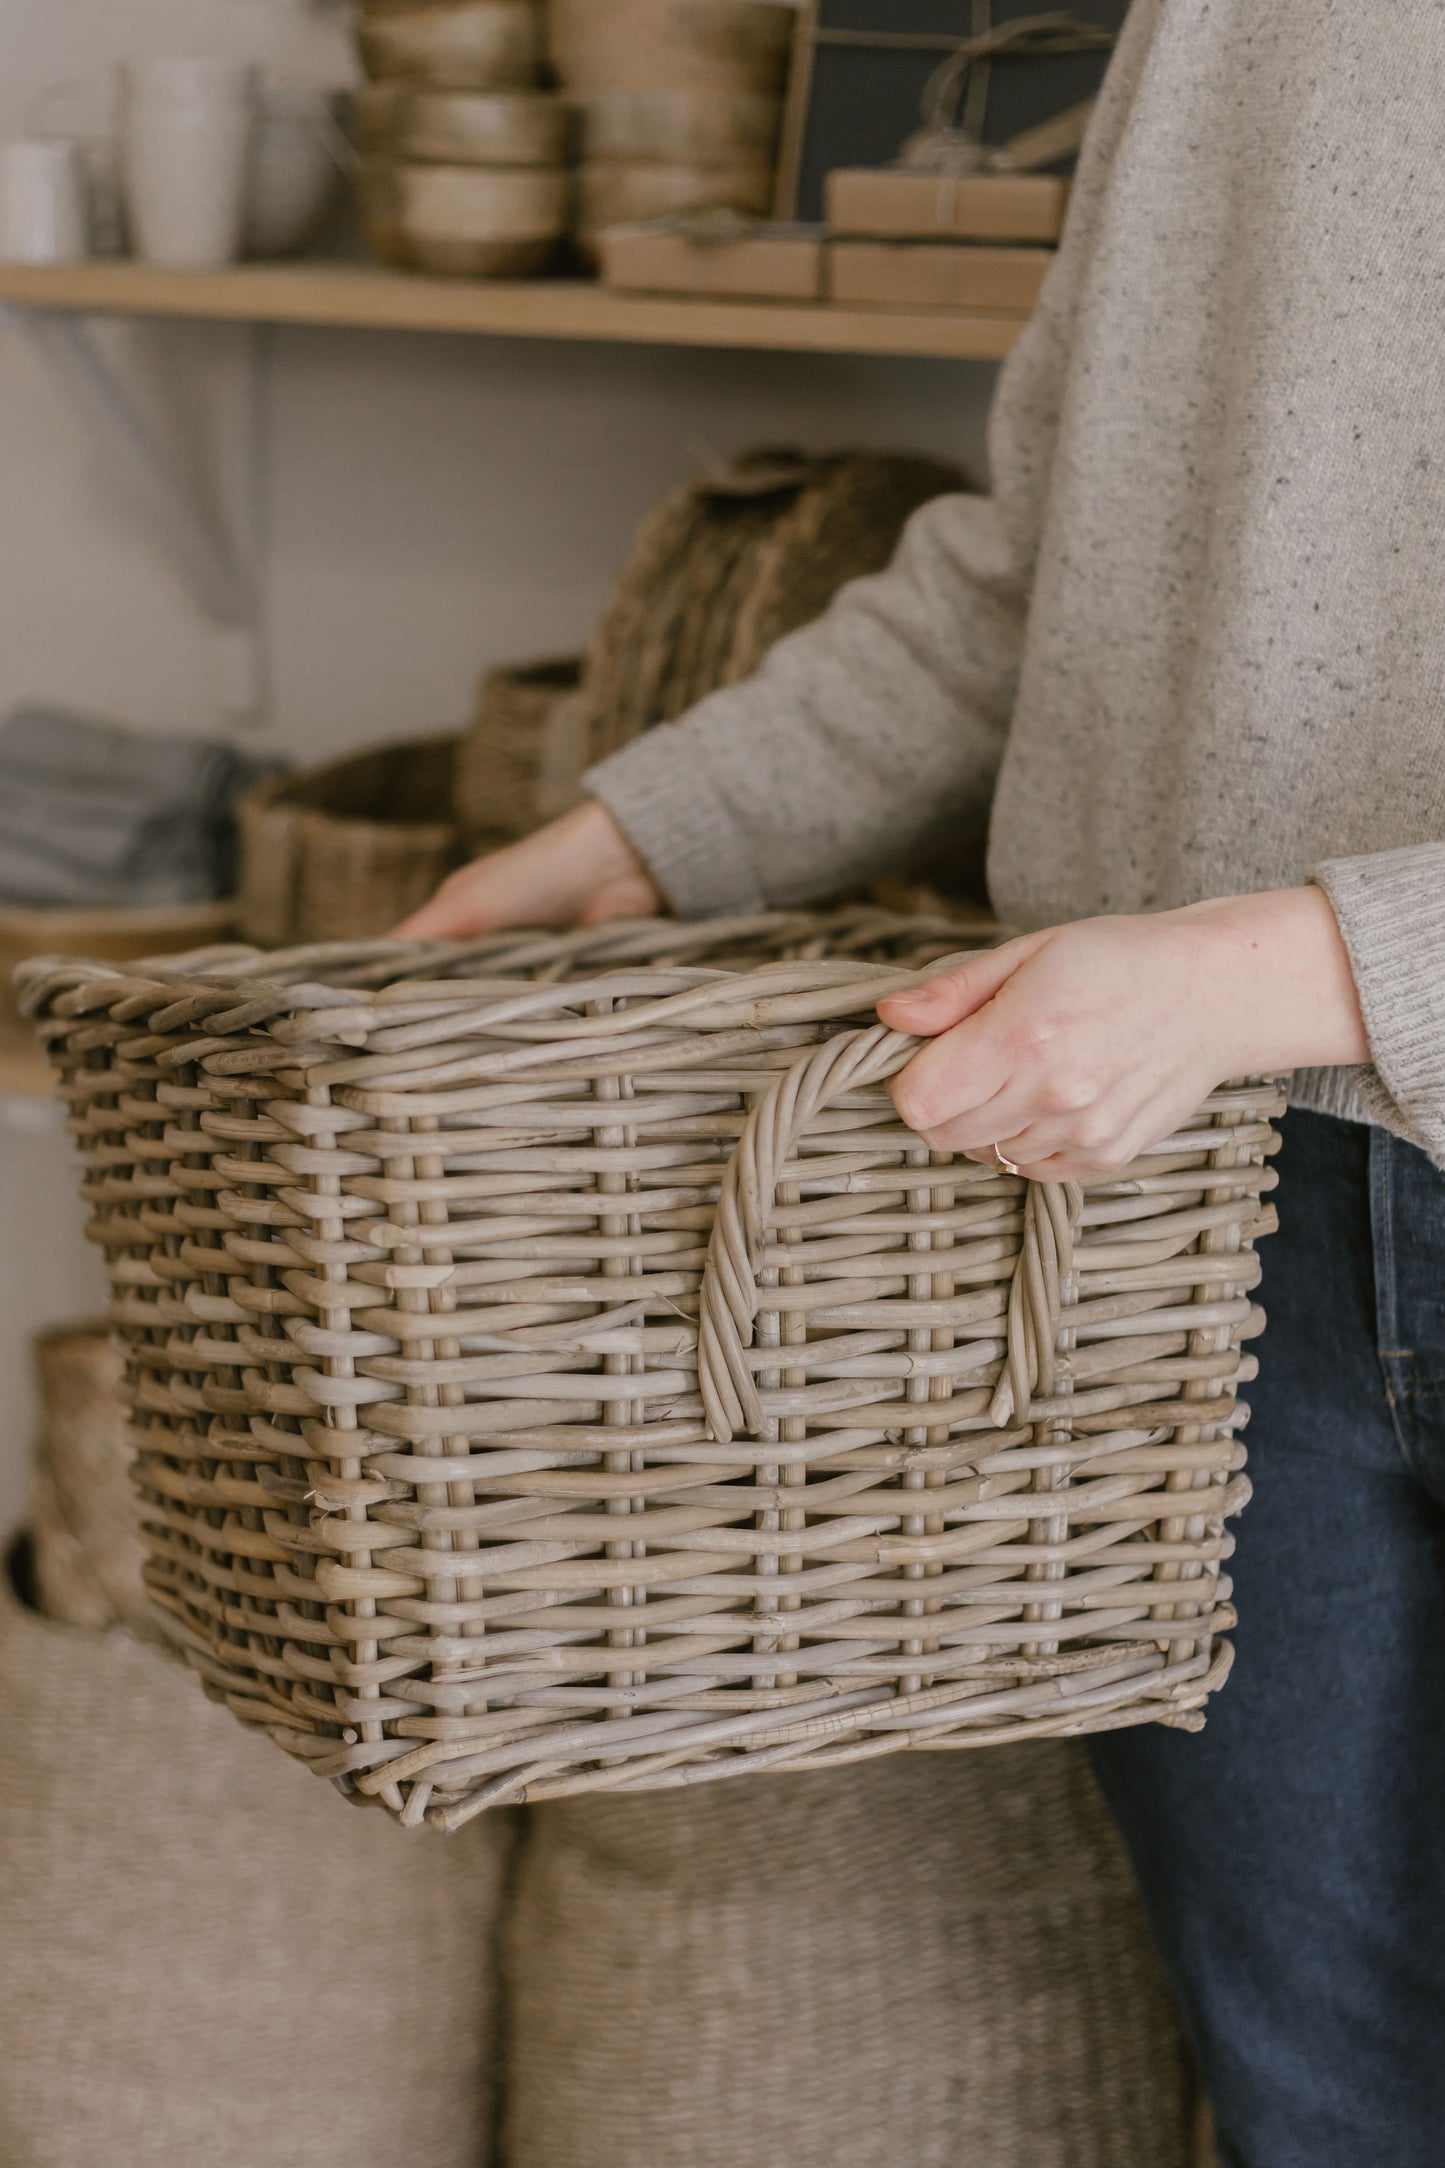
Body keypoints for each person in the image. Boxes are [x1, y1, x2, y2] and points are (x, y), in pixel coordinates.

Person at [400, 7, 1445, 2161]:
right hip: (1199, 1233)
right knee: (1325, 2106)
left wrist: (1286, 962)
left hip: (1206, 1083)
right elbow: (1038, 568)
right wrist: (652, 835)